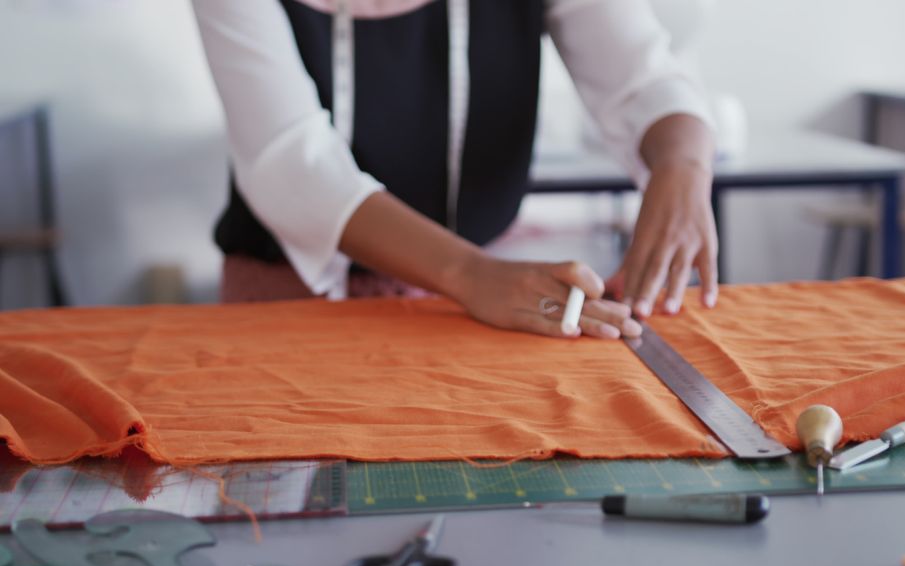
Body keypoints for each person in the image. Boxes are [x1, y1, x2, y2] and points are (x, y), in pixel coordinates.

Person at [192, 0, 719, 340]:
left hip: (474, 313)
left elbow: (643, 76)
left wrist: (684, 164)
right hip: (287, 307)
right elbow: (289, 161)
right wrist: (470, 275)